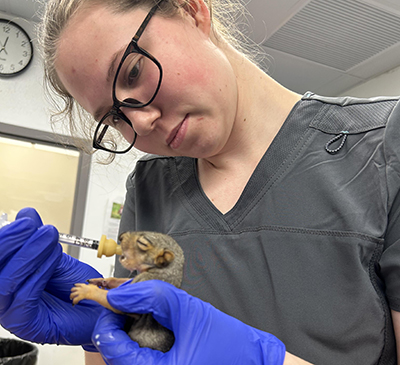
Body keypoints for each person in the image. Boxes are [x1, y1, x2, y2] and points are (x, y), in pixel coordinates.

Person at [0, 0, 399, 363]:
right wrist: (104, 330)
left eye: (133, 72)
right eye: (114, 118)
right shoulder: (149, 186)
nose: (139, 122)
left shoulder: (383, 147)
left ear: (192, 10)